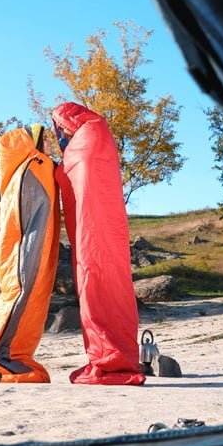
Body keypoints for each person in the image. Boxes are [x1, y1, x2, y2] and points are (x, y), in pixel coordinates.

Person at [51, 102, 145, 385]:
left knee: (97, 291)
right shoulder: (99, 139)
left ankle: (110, 359)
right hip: (107, 238)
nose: (59, 136)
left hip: (93, 239)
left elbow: (72, 174)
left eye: (59, 128)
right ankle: (119, 356)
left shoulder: (84, 147)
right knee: (113, 290)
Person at [0, 124, 61, 383]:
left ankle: (17, 355)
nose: (50, 144)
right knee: (21, 297)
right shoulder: (32, 168)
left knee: (32, 302)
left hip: (27, 249)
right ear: (32, 143)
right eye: (46, 139)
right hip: (20, 253)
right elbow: (24, 221)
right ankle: (0, 357)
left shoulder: (36, 167)